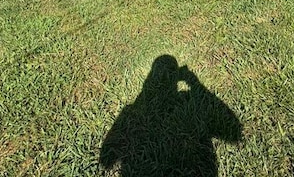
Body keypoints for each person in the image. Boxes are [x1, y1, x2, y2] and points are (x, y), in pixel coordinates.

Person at [100, 55, 242, 176]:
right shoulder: (133, 110)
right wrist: (193, 82)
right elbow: (234, 132)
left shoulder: (130, 110)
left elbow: (106, 158)